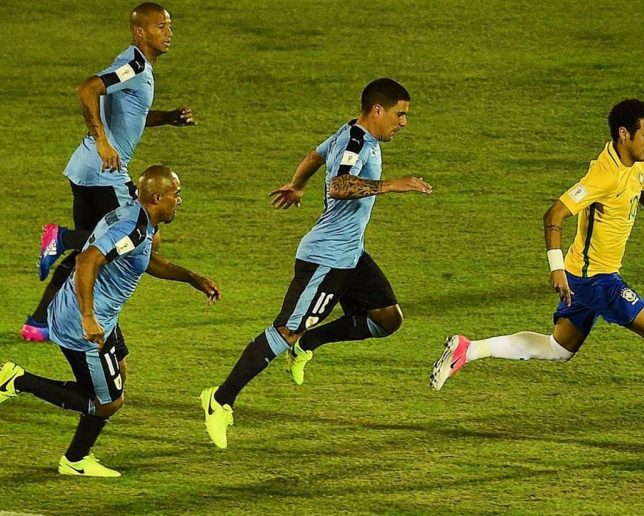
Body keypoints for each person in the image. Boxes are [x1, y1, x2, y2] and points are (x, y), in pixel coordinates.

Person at [430, 99, 644, 428]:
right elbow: (553, 215)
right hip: (596, 280)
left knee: (559, 348)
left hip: (585, 276)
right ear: (624, 134)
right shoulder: (604, 175)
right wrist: (555, 267)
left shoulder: (635, 163)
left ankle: (469, 349)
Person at [200, 78, 432, 449]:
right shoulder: (356, 142)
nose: (403, 123)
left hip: (351, 254)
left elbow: (314, 156)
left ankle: (310, 341)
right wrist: (390, 185)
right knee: (285, 331)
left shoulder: (349, 132)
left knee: (387, 319)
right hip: (326, 259)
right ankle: (220, 399)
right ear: (377, 110)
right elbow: (339, 186)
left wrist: (297, 185)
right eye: (399, 114)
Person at [1, 165, 220, 477]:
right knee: (109, 402)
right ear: (157, 198)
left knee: (118, 373)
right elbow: (86, 259)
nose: (180, 200)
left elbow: (144, 259)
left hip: (95, 313)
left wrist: (192, 278)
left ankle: (77, 457)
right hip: (85, 323)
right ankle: (17, 381)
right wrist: (88, 319)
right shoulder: (133, 228)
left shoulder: (138, 218)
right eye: (176, 194)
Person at [21, 2, 195, 362]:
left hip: (87, 170)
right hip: (105, 171)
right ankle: (60, 238)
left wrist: (167, 118)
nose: (169, 33)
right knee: (145, 235)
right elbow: (87, 89)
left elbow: (131, 115)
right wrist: (101, 140)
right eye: (161, 26)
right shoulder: (134, 65)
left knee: (88, 253)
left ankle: (38, 322)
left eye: (169, 26)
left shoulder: (136, 67)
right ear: (140, 32)